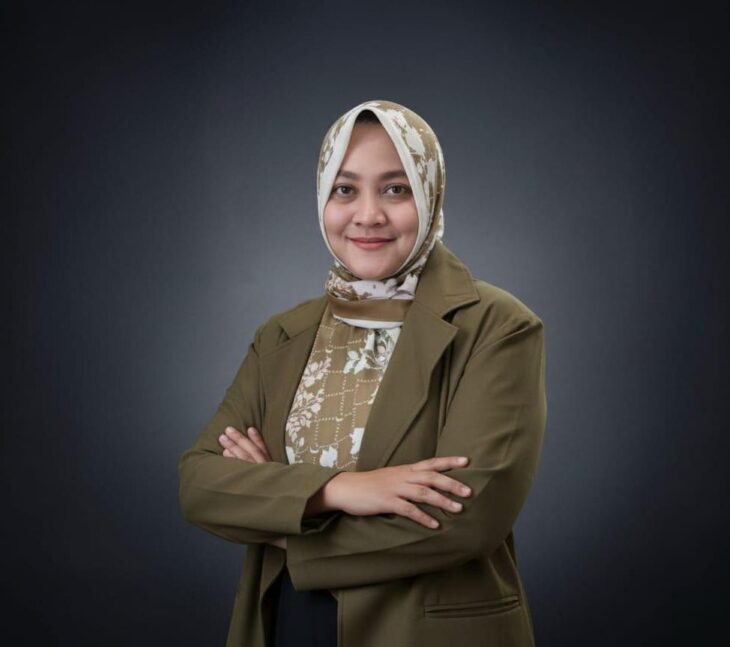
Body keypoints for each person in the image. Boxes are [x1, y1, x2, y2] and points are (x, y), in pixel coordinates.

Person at [178, 99, 547, 647]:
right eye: (345, 189)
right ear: (322, 198)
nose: (368, 214)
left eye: (396, 189)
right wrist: (339, 490)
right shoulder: (283, 335)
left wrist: (281, 520)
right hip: (287, 624)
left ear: (429, 193)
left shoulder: (497, 326)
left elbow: (465, 519)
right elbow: (201, 485)